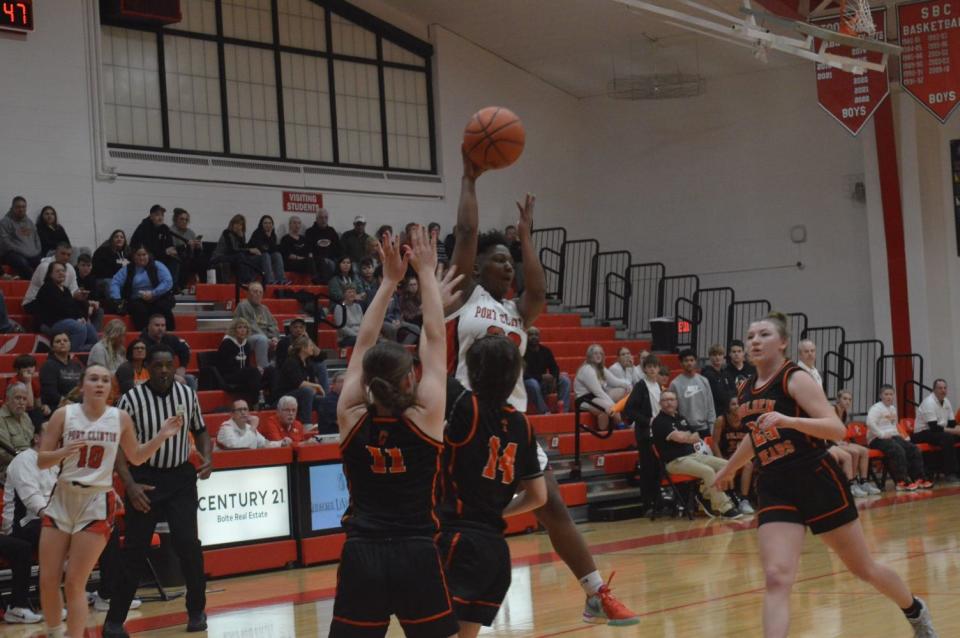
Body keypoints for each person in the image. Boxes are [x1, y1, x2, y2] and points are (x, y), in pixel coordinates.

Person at [444, 152, 635, 625]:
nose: (508, 268)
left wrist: (526, 237)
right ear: (480, 268)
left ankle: (596, 593)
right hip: (460, 418)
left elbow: (539, 292)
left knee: (552, 506)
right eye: (501, 261)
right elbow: (467, 236)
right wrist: (469, 179)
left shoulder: (516, 313)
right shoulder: (461, 297)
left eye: (512, 262)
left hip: (509, 423)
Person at [713, 312, 937, 638]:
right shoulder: (745, 387)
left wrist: (789, 422)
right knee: (776, 576)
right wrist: (727, 468)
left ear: (783, 342)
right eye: (750, 336)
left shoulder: (795, 378)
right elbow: (754, 435)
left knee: (863, 568)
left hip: (815, 476)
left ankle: (915, 611)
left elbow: (836, 428)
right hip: (774, 483)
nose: (754, 341)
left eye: (763, 334)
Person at [329, 225, 459, 638]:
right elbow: (436, 342)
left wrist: (388, 282)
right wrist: (425, 273)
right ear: (409, 382)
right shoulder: (425, 416)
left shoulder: (351, 414)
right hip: (416, 554)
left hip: (361, 555)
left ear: (367, 382)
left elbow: (363, 342)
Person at [37, 363, 183, 638]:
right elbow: (42, 461)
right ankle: (56, 633)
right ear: (83, 385)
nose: (100, 384)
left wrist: (161, 436)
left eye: (105, 380)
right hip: (62, 497)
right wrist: (63, 452)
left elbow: (137, 457)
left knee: (74, 583)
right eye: (93, 379)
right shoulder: (63, 415)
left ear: (111, 389)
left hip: (96, 501)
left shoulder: (120, 418)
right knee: (47, 580)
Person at [439, 336, 547, 636]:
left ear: (472, 371)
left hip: (458, 540)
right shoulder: (523, 425)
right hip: (495, 550)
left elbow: (433, 364)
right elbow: (538, 496)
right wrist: (494, 511)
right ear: (516, 377)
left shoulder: (466, 406)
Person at [103, 345, 213, 637]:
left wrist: (207, 456)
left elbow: (201, 430)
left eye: (168, 365)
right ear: (147, 368)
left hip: (179, 478)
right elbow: (116, 447)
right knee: (135, 550)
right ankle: (114, 621)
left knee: (188, 545)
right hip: (145, 478)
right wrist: (129, 484)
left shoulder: (187, 394)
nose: (164, 370)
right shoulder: (131, 399)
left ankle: (196, 610)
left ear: (174, 366)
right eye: (157, 365)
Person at [1, 420, 57, 625]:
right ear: (36, 438)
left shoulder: (54, 462)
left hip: (42, 522)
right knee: (53, 533)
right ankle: (46, 602)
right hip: (21, 523)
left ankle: (99, 592)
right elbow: (32, 499)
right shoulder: (24, 460)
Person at [653, 390, 741, 518]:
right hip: (674, 462)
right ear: (660, 403)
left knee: (727, 464)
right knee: (708, 471)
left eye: (672, 399)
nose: (669, 403)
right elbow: (680, 437)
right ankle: (724, 507)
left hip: (693, 456)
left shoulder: (680, 418)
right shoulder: (659, 422)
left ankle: (705, 495)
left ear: (677, 402)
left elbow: (696, 436)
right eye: (665, 400)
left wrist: (686, 436)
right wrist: (687, 436)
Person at [620, 354, 663, 513]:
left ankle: (657, 502)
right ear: (644, 368)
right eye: (649, 366)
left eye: (655, 366)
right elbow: (630, 409)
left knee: (658, 469)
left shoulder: (659, 386)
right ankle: (648, 504)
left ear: (658, 368)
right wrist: (647, 420)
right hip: (645, 434)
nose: (652, 369)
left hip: (658, 433)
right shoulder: (640, 386)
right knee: (647, 469)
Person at [866, 385, 929, 491]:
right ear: (881, 396)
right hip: (876, 439)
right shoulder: (876, 408)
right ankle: (901, 481)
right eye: (886, 394)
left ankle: (919, 478)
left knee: (913, 448)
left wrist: (901, 437)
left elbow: (893, 425)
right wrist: (881, 434)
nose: (889, 396)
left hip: (892, 437)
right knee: (897, 450)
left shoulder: (892, 409)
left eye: (891, 394)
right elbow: (870, 423)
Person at [32, 261, 98, 351]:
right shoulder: (47, 288)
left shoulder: (66, 290)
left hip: (65, 320)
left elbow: (73, 307)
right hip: (50, 323)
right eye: (58, 271)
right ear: (50, 274)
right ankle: (71, 354)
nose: (61, 273)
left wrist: (81, 317)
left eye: (63, 271)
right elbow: (59, 309)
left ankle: (92, 351)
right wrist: (76, 319)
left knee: (89, 327)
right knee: (79, 328)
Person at [109, 246, 176, 331]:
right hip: (137, 299)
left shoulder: (157, 265)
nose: (141, 258)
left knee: (162, 307)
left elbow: (167, 281)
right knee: (139, 310)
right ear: (134, 256)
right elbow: (116, 282)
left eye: (144, 255)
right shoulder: (128, 268)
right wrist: (117, 298)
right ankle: (144, 334)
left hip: (158, 296)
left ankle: (169, 333)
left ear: (148, 255)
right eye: (138, 255)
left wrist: (153, 293)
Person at [829, 389, 882, 497]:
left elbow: (839, 431)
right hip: (827, 441)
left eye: (849, 399)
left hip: (836, 441)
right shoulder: (832, 409)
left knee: (864, 451)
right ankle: (851, 483)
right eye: (844, 398)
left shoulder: (844, 413)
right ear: (838, 399)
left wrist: (840, 441)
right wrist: (837, 442)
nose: (847, 401)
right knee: (853, 452)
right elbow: (826, 429)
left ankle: (863, 482)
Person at [711, 395, 755, 514]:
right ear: (728, 407)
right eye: (733, 404)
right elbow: (714, 443)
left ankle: (744, 500)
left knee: (749, 464)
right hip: (724, 455)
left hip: (740, 455)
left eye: (739, 404)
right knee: (729, 465)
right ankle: (730, 498)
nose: (737, 406)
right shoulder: (721, 420)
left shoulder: (747, 420)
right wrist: (721, 461)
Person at [914, 379, 960, 484]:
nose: (943, 390)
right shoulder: (929, 402)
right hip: (922, 432)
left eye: (945, 388)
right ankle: (950, 473)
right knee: (947, 437)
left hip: (938, 431)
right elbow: (934, 427)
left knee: (951, 436)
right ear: (934, 389)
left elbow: (952, 423)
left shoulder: (946, 401)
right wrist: (954, 431)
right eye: (940, 388)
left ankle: (958, 471)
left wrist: (957, 428)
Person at [574, 344, 627, 432]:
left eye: (600, 353)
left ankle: (617, 422)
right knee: (607, 409)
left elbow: (615, 381)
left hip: (595, 396)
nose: (599, 355)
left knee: (622, 390)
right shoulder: (587, 369)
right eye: (595, 353)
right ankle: (607, 430)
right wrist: (615, 406)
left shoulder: (600, 368)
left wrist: (629, 386)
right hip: (584, 399)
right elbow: (598, 392)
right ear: (590, 356)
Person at [140, 314, 197, 391]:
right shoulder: (141, 343)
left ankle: (190, 402)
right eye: (157, 325)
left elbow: (184, 349)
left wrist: (182, 367)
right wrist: (173, 376)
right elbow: (143, 366)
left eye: (163, 325)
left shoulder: (170, 339)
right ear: (149, 326)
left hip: (170, 374)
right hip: (151, 377)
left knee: (190, 379)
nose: (160, 328)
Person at [276, 335, 325, 424]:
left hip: (302, 396)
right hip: (285, 396)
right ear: (303, 348)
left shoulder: (308, 363)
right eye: (311, 346)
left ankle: (324, 426)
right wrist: (317, 386)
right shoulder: (291, 362)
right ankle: (306, 424)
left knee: (322, 400)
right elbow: (300, 383)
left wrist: (315, 388)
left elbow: (312, 383)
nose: (312, 348)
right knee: (307, 391)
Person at [216, 317, 264, 408]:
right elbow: (225, 367)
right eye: (240, 327)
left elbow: (247, 365)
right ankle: (255, 403)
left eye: (245, 327)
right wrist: (249, 370)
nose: (242, 330)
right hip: (229, 375)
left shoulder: (246, 344)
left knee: (268, 371)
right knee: (253, 372)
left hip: (243, 374)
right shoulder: (227, 344)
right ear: (234, 330)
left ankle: (271, 401)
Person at [668, 349, 716, 436]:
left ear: (696, 362)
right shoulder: (674, 384)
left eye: (691, 360)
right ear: (681, 363)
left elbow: (710, 406)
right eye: (686, 361)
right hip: (685, 429)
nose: (689, 363)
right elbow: (672, 409)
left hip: (704, 428)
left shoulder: (704, 381)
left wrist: (712, 427)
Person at [275, 317, 331, 393]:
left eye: (301, 327)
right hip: (291, 368)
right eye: (295, 327)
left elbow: (322, 356)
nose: (298, 329)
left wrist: (308, 339)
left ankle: (326, 394)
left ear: (305, 329)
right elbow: (281, 362)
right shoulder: (284, 342)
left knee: (321, 364)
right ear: (290, 329)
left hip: (305, 365)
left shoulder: (307, 340)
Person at [523, 325, 571, 414]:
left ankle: (563, 410)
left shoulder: (545, 351)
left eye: (536, 335)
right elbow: (523, 375)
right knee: (533, 383)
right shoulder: (522, 352)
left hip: (544, 383)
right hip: (529, 385)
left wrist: (554, 377)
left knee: (565, 380)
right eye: (531, 335)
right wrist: (541, 377)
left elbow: (554, 367)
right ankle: (545, 411)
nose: (534, 337)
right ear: (526, 336)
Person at [129, 204, 180, 286]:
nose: (160, 217)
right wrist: (165, 252)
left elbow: (169, 245)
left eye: (162, 215)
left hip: (161, 256)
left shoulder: (165, 228)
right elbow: (147, 249)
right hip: (144, 257)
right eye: (157, 215)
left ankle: (171, 287)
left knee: (176, 261)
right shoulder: (144, 228)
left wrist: (172, 251)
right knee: (154, 262)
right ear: (151, 216)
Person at [234, 281, 280, 368]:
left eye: (260, 292)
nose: (258, 294)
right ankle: (263, 370)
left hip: (265, 338)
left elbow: (273, 324)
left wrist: (274, 337)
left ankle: (276, 368)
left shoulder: (264, 309)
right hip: (246, 338)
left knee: (282, 343)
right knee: (261, 339)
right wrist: (268, 340)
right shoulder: (243, 305)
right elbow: (250, 326)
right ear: (248, 293)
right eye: (255, 291)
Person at [23, 242, 82, 307]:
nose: (65, 257)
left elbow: (74, 288)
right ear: (56, 253)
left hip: (58, 300)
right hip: (34, 301)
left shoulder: (70, 268)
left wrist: (78, 295)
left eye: (68, 255)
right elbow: (48, 292)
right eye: (63, 253)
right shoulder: (45, 266)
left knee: (83, 304)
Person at [211, 214, 262, 284]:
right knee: (240, 256)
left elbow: (243, 250)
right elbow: (231, 250)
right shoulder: (226, 233)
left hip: (232, 258)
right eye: (236, 224)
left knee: (253, 258)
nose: (238, 226)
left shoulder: (241, 235)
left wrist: (241, 239)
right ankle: (247, 280)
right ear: (232, 224)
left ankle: (246, 280)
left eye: (241, 225)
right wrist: (250, 250)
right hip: (219, 257)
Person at [0, 196, 42, 279]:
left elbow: (36, 239)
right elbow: (5, 242)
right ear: (12, 208)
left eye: (23, 207)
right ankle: (34, 282)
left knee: (43, 264)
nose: (21, 209)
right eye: (18, 207)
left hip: (31, 254)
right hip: (12, 254)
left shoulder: (29, 222)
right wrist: (23, 251)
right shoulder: (5, 222)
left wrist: (37, 250)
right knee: (22, 262)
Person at [39, 332, 83, 411]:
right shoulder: (48, 366)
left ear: (70, 344)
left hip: (78, 406)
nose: (62, 343)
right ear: (52, 347)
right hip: (58, 408)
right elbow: (50, 393)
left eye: (65, 341)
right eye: (58, 341)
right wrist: (71, 405)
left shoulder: (76, 365)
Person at [0, 384, 35, 481]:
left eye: (24, 399)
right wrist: (28, 461)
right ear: (7, 400)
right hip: (8, 468)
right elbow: (3, 453)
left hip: (29, 463)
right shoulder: (1, 419)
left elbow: (32, 443)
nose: (21, 402)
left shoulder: (26, 417)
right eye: (17, 398)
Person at [216, 399, 283, 449]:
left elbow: (264, 444)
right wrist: (253, 426)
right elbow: (238, 447)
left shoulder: (249, 427)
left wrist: (281, 443)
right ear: (232, 414)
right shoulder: (225, 428)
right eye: (239, 410)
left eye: (245, 409)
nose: (243, 412)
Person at [5, 355, 50, 426]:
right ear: (17, 370)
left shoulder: (34, 382)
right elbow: (29, 405)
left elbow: (37, 404)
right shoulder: (14, 382)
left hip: (28, 412)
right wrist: (28, 382)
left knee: (43, 412)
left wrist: (43, 407)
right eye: (25, 367)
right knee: (34, 415)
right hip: (14, 412)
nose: (29, 369)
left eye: (32, 366)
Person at [170, 208, 207, 290]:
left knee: (203, 260)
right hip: (177, 257)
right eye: (182, 219)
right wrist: (186, 245)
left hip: (191, 256)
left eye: (186, 220)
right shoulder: (171, 231)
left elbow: (195, 248)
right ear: (176, 220)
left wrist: (198, 245)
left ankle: (204, 286)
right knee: (185, 261)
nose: (184, 221)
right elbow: (172, 248)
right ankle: (181, 287)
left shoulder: (190, 232)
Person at [248, 214, 287, 285]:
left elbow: (274, 250)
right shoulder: (257, 233)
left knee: (277, 255)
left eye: (270, 223)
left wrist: (269, 238)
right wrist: (268, 238)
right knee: (266, 255)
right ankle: (269, 280)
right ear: (261, 224)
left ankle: (281, 280)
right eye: (265, 223)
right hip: (253, 259)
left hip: (266, 258)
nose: (268, 225)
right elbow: (261, 250)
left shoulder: (273, 235)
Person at [383, 276, 422, 344]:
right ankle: (401, 349)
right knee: (417, 328)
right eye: (411, 285)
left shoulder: (420, 297)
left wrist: (397, 319)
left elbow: (397, 311)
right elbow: (407, 315)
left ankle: (403, 348)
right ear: (407, 286)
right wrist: (420, 311)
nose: (413, 287)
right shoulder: (403, 298)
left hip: (400, 320)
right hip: (407, 320)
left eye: (415, 284)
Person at [305, 208, 340, 282]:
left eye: (326, 217)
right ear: (317, 219)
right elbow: (309, 249)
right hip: (317, 259)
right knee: (325, 263)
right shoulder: (310, 232)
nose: (324, 220)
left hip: (331, 258)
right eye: (321, 217)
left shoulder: (331, 231)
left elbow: (337, 247)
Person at [92, 230, 130, 297]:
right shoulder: (103, 251)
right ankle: (115, 304)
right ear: (111, 239)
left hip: (120, 278)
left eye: (122, 237)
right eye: (116, 237)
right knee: (112, 283)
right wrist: (120, 265)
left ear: (124, 241)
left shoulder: (127, 252)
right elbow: (101, 270)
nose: (119, 239)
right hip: (104, 278)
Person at [701, 343, 734, 416]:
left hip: (727, 411)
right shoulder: (707, 374)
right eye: (714, 355)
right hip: (714, 412)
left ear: (723, 357)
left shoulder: (726, 373)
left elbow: (735, 391)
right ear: (710, 357)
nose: (717, 357)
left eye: (720, 354)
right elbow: (719, 395)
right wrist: (729, 394)